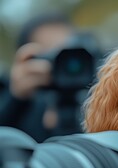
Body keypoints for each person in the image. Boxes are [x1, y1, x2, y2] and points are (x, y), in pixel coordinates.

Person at [0, 13, 96, 142]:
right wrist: (16, 99)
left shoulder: (96, 90)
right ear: (27, 59)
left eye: (67, 49)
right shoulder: (19, 101)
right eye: (51, 53)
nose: (62, 61)